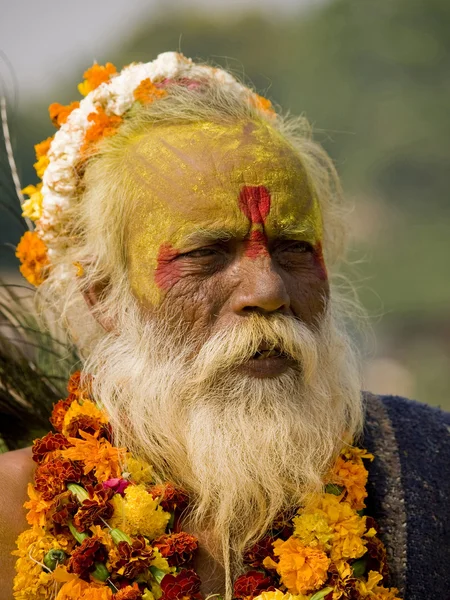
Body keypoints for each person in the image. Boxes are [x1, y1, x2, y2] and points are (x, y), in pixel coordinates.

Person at [0, 52, 449, 600]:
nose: (268, 290)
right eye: (207, 252)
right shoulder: (11, 509)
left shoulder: (427, 466)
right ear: (103, 297)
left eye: (292, 249)